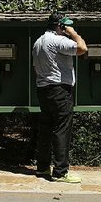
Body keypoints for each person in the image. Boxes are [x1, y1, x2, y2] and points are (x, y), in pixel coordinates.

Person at [32, 12, 87, 183]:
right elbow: (83, 48)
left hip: (43, 89)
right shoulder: (58, 40)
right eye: (66, 26)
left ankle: (42, 168)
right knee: (62, 129)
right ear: (60, 26)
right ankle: (60, 172)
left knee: (46, 129)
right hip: (59, 90)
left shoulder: (38, 42)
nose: (68, 29)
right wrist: (74, 33)